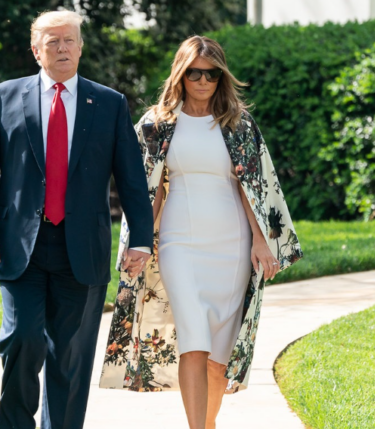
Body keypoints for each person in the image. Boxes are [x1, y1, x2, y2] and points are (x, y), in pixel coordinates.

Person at [99, 36, 303, 429]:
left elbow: (253, 187)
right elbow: (149, 189)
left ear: (221, 76)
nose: (203, 80)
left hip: (231, 244)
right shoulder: (157, 124)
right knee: (193, 342)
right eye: (194, 72)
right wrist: (140, 243)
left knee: (218, 361)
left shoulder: (238, 124)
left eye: (211, 73)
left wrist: (262, 241)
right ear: (181, 73)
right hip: (178, 243)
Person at [0, 10, 153, 429]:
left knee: (69, 357)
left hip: (81, 248)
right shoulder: (3, 96)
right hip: (20, 247)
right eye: (53, 41)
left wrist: (141, 237)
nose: (63, 48)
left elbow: (131, 177)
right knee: (23, 340)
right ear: (36, 50)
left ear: (81, 47)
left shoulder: (108, 103)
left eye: (69, 40)